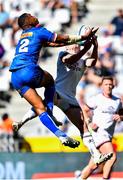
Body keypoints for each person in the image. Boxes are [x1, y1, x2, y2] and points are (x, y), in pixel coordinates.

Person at [12, 28, 112, 165]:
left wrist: (95, 46)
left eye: (77, 43)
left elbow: (92, 62)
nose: (74, 45)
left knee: (83, 127)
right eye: (73, 43)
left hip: (70, 97)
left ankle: (96, 155)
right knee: (41, 106)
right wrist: (85, 49)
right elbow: (70, 60)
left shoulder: (83, 59)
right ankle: (22, 121)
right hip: (57, 91)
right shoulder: (62, 54)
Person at [10, 13, 98, 148]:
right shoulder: (38, 31)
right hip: (28, 69)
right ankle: (51, 111)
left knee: (39, 108)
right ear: (27, 21)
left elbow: (53, 43)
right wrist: (82, 38)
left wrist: (78, 42)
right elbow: (60, 38)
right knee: (50, 81)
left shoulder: (23, 36)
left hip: (15, 77)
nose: (34, 16)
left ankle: (60, 135)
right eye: (30, 15)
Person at [77, 76, 123, 179]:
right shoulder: (96, 98)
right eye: (106, 84)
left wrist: (120, 117)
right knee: (112, 157)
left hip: (108, 134)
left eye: (110, 84)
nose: (108, 86)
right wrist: (88, 122)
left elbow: (122, 114)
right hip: (99, 133)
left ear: (113, 86)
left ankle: (80, 178)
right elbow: (83, 109)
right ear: (102, 86)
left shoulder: (117, 101)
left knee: (93, 165)